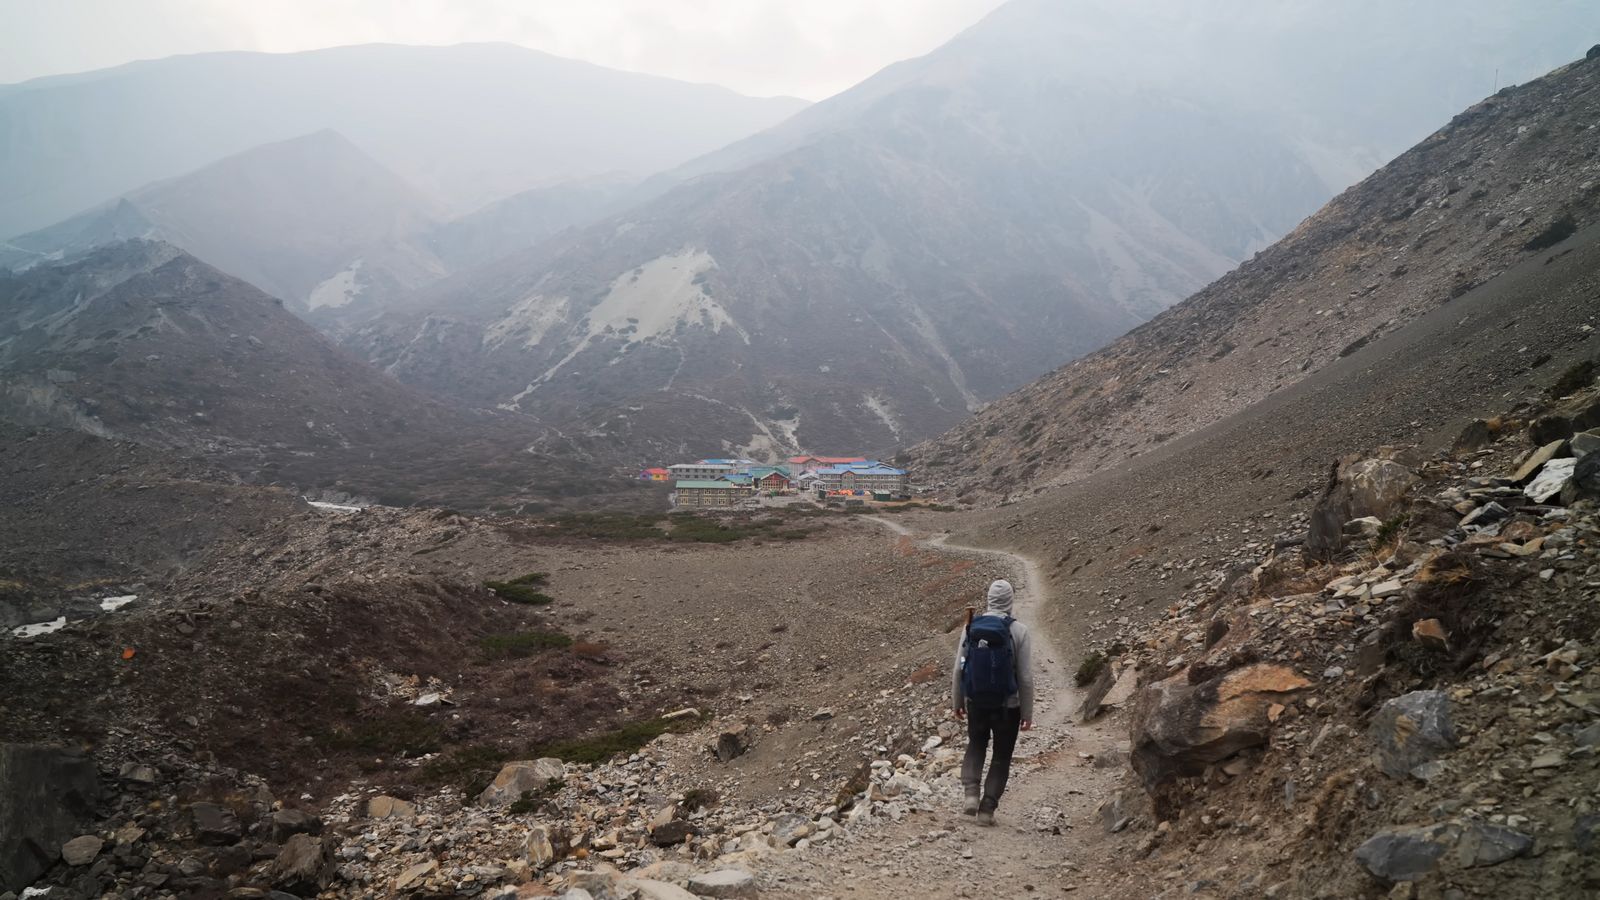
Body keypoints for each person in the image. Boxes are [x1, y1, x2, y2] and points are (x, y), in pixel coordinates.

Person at [951, 578, 1034, 826]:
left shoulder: (971, 627)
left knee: (976, 744)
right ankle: (987, 810)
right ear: (1010, 600)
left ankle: (970, 796)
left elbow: (959, 669)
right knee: (1001, 756)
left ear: (989, 599)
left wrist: (958, 701)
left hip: (976, 701)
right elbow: (1025, 677)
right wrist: (1027, 712)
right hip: (1008, 707)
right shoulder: (1020, 631)